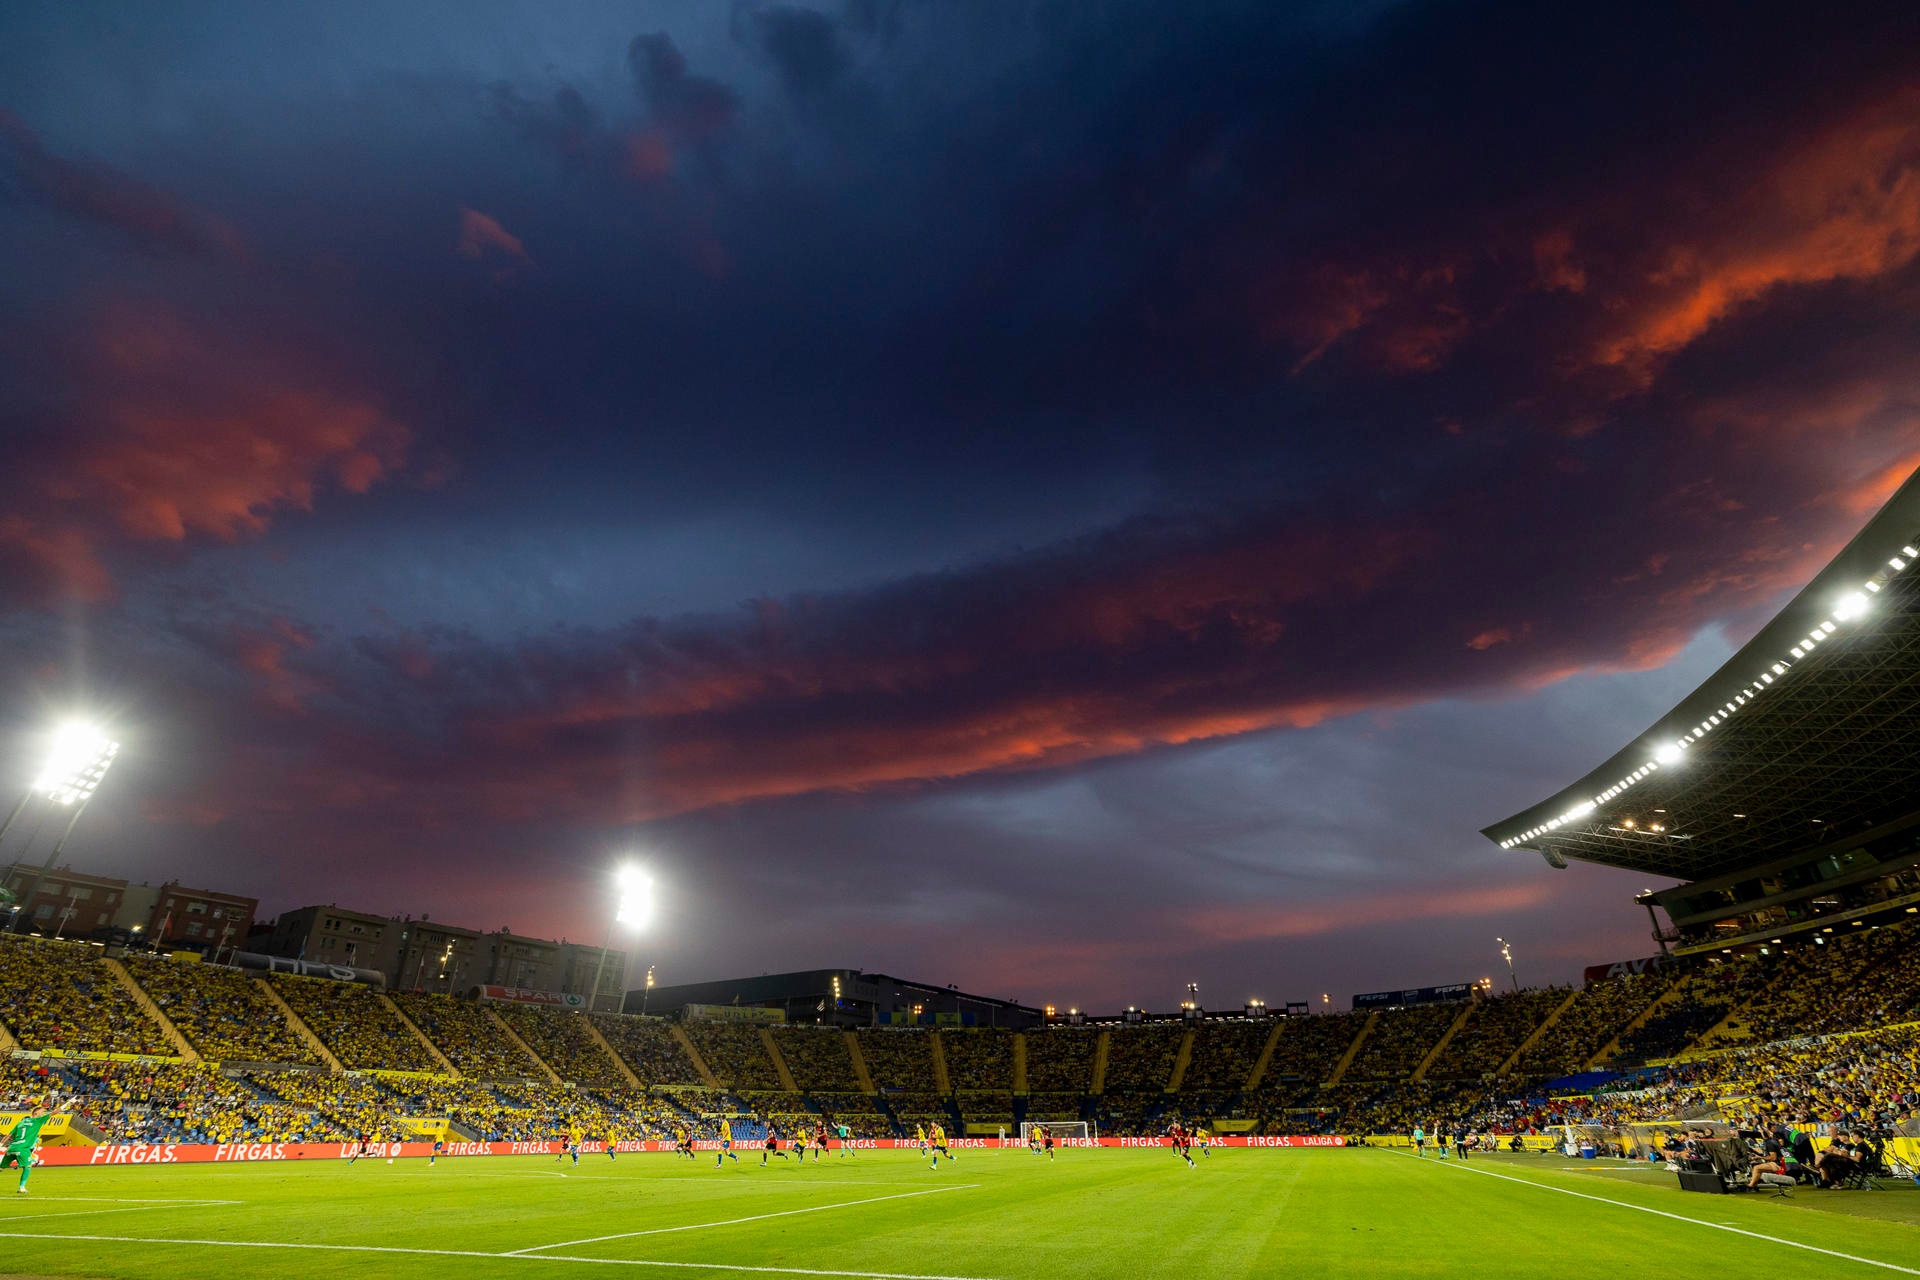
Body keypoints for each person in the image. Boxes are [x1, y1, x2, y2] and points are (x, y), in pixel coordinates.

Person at [2, 1097, 58, 1194]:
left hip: (12, 1147)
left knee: (1, 1168)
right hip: (22, 1148)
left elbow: (9, 1135)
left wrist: (1, 1144)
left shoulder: (20, 1123)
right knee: (28, 1166)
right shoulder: (37, 1121)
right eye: (41, 1113)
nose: (43, 1114)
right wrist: (64, 1107)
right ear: (35, 1114)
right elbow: (53, 1113)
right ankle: (22, 1187)